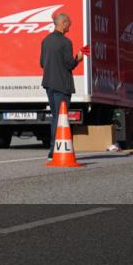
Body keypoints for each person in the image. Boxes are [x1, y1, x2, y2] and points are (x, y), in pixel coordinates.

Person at [39, 13, 87, 159]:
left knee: (55, 117)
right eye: (69, 23)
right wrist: (78, 58)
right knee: (61, 118)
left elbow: (42, 63)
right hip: (62, 85)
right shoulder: (66, 42)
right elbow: (69, 64)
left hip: (49, 84)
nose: (70, 26)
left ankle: (53, 150)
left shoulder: (45, 40)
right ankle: (55, 150)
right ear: (63, 23)